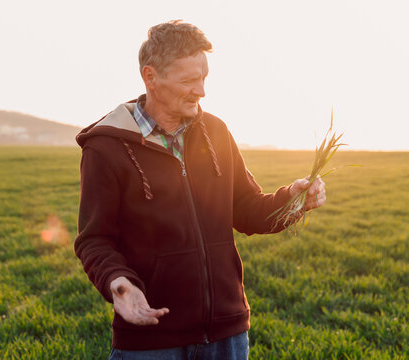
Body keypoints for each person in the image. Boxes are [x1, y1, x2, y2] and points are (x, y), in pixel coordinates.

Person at [74, 20, 326, 360]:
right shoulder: (106, 148)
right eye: (189, 80)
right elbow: (94, 239)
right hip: (152, 338)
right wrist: (119, 283)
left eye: (204, 78)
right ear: (150, 77)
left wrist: (293, 200)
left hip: (227, 332)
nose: (202, 91)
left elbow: (248, 208)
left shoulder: (216, 132)